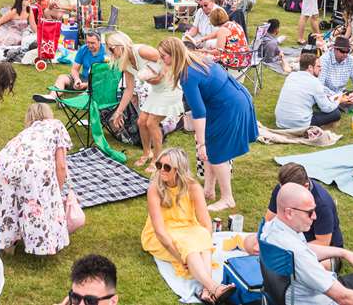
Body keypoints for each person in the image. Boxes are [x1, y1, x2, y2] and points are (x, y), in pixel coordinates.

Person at [161, 38, 257, 212]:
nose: (162, 60)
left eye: (164, 56)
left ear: (174, 55)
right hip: (232, 99)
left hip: (228, 106)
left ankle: (228, 198)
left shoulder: (187, 75)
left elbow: (198, 112)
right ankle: (208, 190)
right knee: (213, 149)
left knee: (218, 153)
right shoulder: (198, 58)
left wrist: (201, 142)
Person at [262, 183, 353, 305]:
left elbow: (305, 247)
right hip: (321, 299)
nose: (315, 217)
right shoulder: (299, 256)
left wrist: (343, 252)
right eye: (309, 212)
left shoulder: (270, 229)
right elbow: (343, 297)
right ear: (289, 212)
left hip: (292, 296)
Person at [140, 148, 235, 304]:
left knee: (202, 236)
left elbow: (205, 223)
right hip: (162, 234)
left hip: (188, 227)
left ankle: (206, 291)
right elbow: (159, 231)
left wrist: (205, 240)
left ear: (178, 170)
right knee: (189, 246)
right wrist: (179, 257)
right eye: (159, 165)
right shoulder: (154, 189)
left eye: (167, 167)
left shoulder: (193, 187)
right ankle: (214, 287)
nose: (161, 170)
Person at [0, 104, 73, 256]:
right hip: (34, 167)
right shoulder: (56, 125)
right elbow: (61, 166)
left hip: (5, 163)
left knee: (10, 200)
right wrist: (56, 194)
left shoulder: (25, 133)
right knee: (38, 202)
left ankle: (7, 243)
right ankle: (42, 245)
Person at [105, 31, 181, 172]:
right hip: (157, 90)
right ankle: (147, 153)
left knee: (152, 122)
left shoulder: (141, 51)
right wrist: (119, 112)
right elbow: (129, 89)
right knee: (141, 121)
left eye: (111, 48)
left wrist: (161, 74)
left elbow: (165, 58)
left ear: (120, 45)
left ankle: (158, 159)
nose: (110, 52)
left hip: (170, 87)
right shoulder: (125, 62)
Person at [276, 52, 341, 128]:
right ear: (310, 67)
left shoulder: (291, 76)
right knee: (336, 113)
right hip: (299, 124)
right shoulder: (315, 82)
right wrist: (338, 100)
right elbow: (327, 108)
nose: (321, 69)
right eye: (318, 66)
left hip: (281, 122)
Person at [39, 31, 105, 101]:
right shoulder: (83, 49)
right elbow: (74, 69)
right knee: (62, 78)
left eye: (92, 43)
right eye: (88, 42)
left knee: (96, 87)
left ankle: (75, 100)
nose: (89, 45)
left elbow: (105, 77)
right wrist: (77, 79)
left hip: (98, 81)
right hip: (84, 78)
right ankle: (52, 97)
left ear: (99, 41)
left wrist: (86, 84)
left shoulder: (106, 53)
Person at [320, 37, 353, 111]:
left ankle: (339, 106)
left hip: (342, 93)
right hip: (328, 94)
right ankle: (344, 106)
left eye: (347, 51)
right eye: (342, 51)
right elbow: (319, 85)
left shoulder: (350, 60)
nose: (345, 54)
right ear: (334, 49)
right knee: (320, 96)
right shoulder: (324, 60)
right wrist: (337, 97)